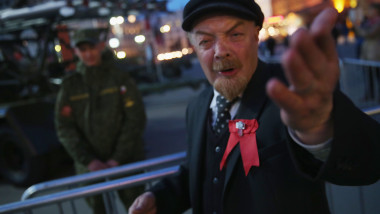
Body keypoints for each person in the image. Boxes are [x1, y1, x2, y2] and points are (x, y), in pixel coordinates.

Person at [129, 0, 380, 213]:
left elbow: (368, 164)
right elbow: (199, 171)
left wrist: (320, 131)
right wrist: (159, 198)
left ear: (256, 34)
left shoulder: (293, 92)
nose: (221, 51)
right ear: (193, 47)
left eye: (235, 35)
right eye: (206, 41)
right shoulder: (197, 106)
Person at [55, 28, 146, 214]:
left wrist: (117, 158)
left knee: (137, 209)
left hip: (126, 162)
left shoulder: (119, 77)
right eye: (83, 50)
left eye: (92, 48)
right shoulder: (71, 85)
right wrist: (89, 161)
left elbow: (135, 119)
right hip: (90, 168)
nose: (88, 54)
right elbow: (64, 127)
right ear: (76, 52)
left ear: (101, 47)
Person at [354, 3, 380, 101]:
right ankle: (370, 94)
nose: (369, 12)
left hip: (376, 53)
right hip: (368, 53)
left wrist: (357, 26)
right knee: (368, 76)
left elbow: (368, 34)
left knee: (377, 75)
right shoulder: (370, 22)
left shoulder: (377, 23)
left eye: (371, 10)